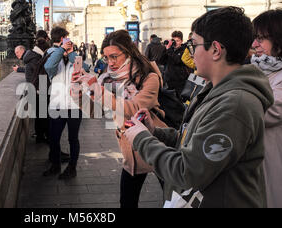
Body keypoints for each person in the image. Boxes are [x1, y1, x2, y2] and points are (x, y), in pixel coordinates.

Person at [124, 6, 274, 208]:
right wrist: (155, 132)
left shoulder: (235, 105)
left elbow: (187, 172)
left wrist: (141, 139)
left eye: (194, 45)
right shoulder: (217, 90)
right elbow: (192, 141)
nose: (191, 53)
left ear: (215, 50)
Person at [71, 30, 167, 208]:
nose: (110, 63)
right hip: (131, 153)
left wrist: (99, 91)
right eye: (106, 58)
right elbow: (94, 112)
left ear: (129, 52)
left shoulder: (150, 77)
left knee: (171, 201)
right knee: (127, 202)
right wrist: (77, 92)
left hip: (158, 146)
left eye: (114, 56)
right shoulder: (107, 78)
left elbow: (135, 109)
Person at [251, 9, 282, 208]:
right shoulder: (263, 71)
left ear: (280, 39)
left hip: (278, 171)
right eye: (255, 38)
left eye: (261, 39)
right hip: (261, 170)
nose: (254, 45)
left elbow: (264, 111)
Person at [43, 27, 89, 180]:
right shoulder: (51, 55)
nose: (69, 42)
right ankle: (55, 165)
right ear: (62, 39)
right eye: (66, 39)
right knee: (54, 138)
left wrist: (70, 53)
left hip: (75, 105)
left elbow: (83, 69)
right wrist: (61, 49)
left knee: (73, 138)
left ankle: (72, 168)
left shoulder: (75, 56)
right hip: (57, 105)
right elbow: (49, 67)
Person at [161, 31, 191, 98]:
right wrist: (165, 49)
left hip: (180, 81)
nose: (176, 43)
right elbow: (161, 61)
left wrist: (169, 50)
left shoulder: (184, 50)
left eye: (177, 41)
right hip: (169, 81)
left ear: (181, 41)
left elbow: (178, 60)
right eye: (174, 41)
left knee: (180, 101)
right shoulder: (170, 50)